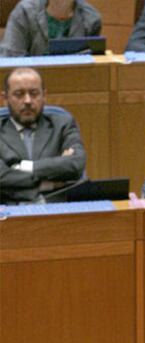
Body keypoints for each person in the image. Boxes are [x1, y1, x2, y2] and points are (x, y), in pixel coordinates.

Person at [0, 67, 86, 204]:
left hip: (58, 209)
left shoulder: (62, 124)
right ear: (5, 99)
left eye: (34, 94)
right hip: (9, 213)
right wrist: (48, 183)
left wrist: (24, 167)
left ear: (44, 96)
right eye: (19, 94)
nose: (27, 101)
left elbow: (75, 164)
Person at [0, 0, 101, 57]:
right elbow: (11, 60)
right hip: (29, 85)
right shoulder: (24, 12)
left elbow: (92, 65)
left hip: (72, 84)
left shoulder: (91, 18)